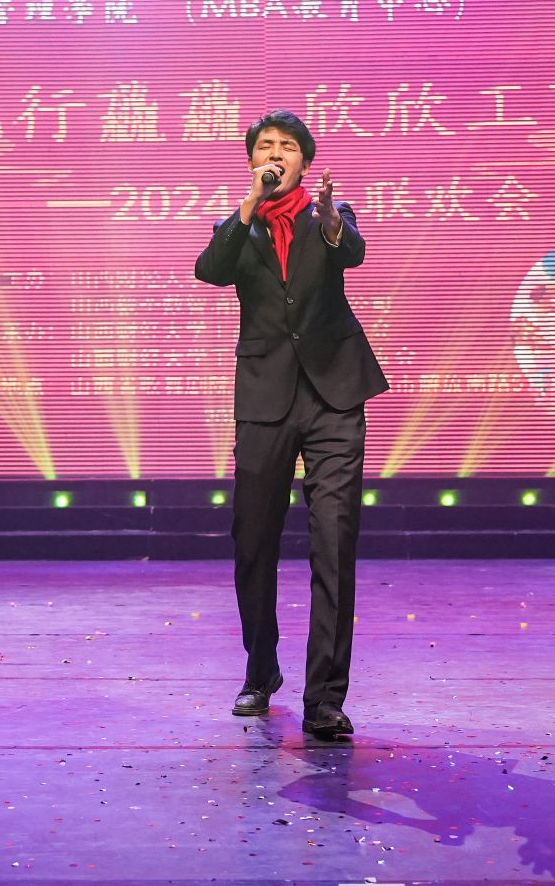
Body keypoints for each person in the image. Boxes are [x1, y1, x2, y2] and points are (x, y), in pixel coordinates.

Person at [193, 110, 389, 740]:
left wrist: (330, 221)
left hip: (333, 394)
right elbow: (209, 270)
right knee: (253, 540)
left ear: (306, 160)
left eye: (287, 148)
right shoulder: (238, 224)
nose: (275, 155)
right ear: (252, 160)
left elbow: (352, 250)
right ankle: (260, 670)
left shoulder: (332, 214)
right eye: (264, 147)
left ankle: (325, 699)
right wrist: (249, 205)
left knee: (334, 541)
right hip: (265, 397)